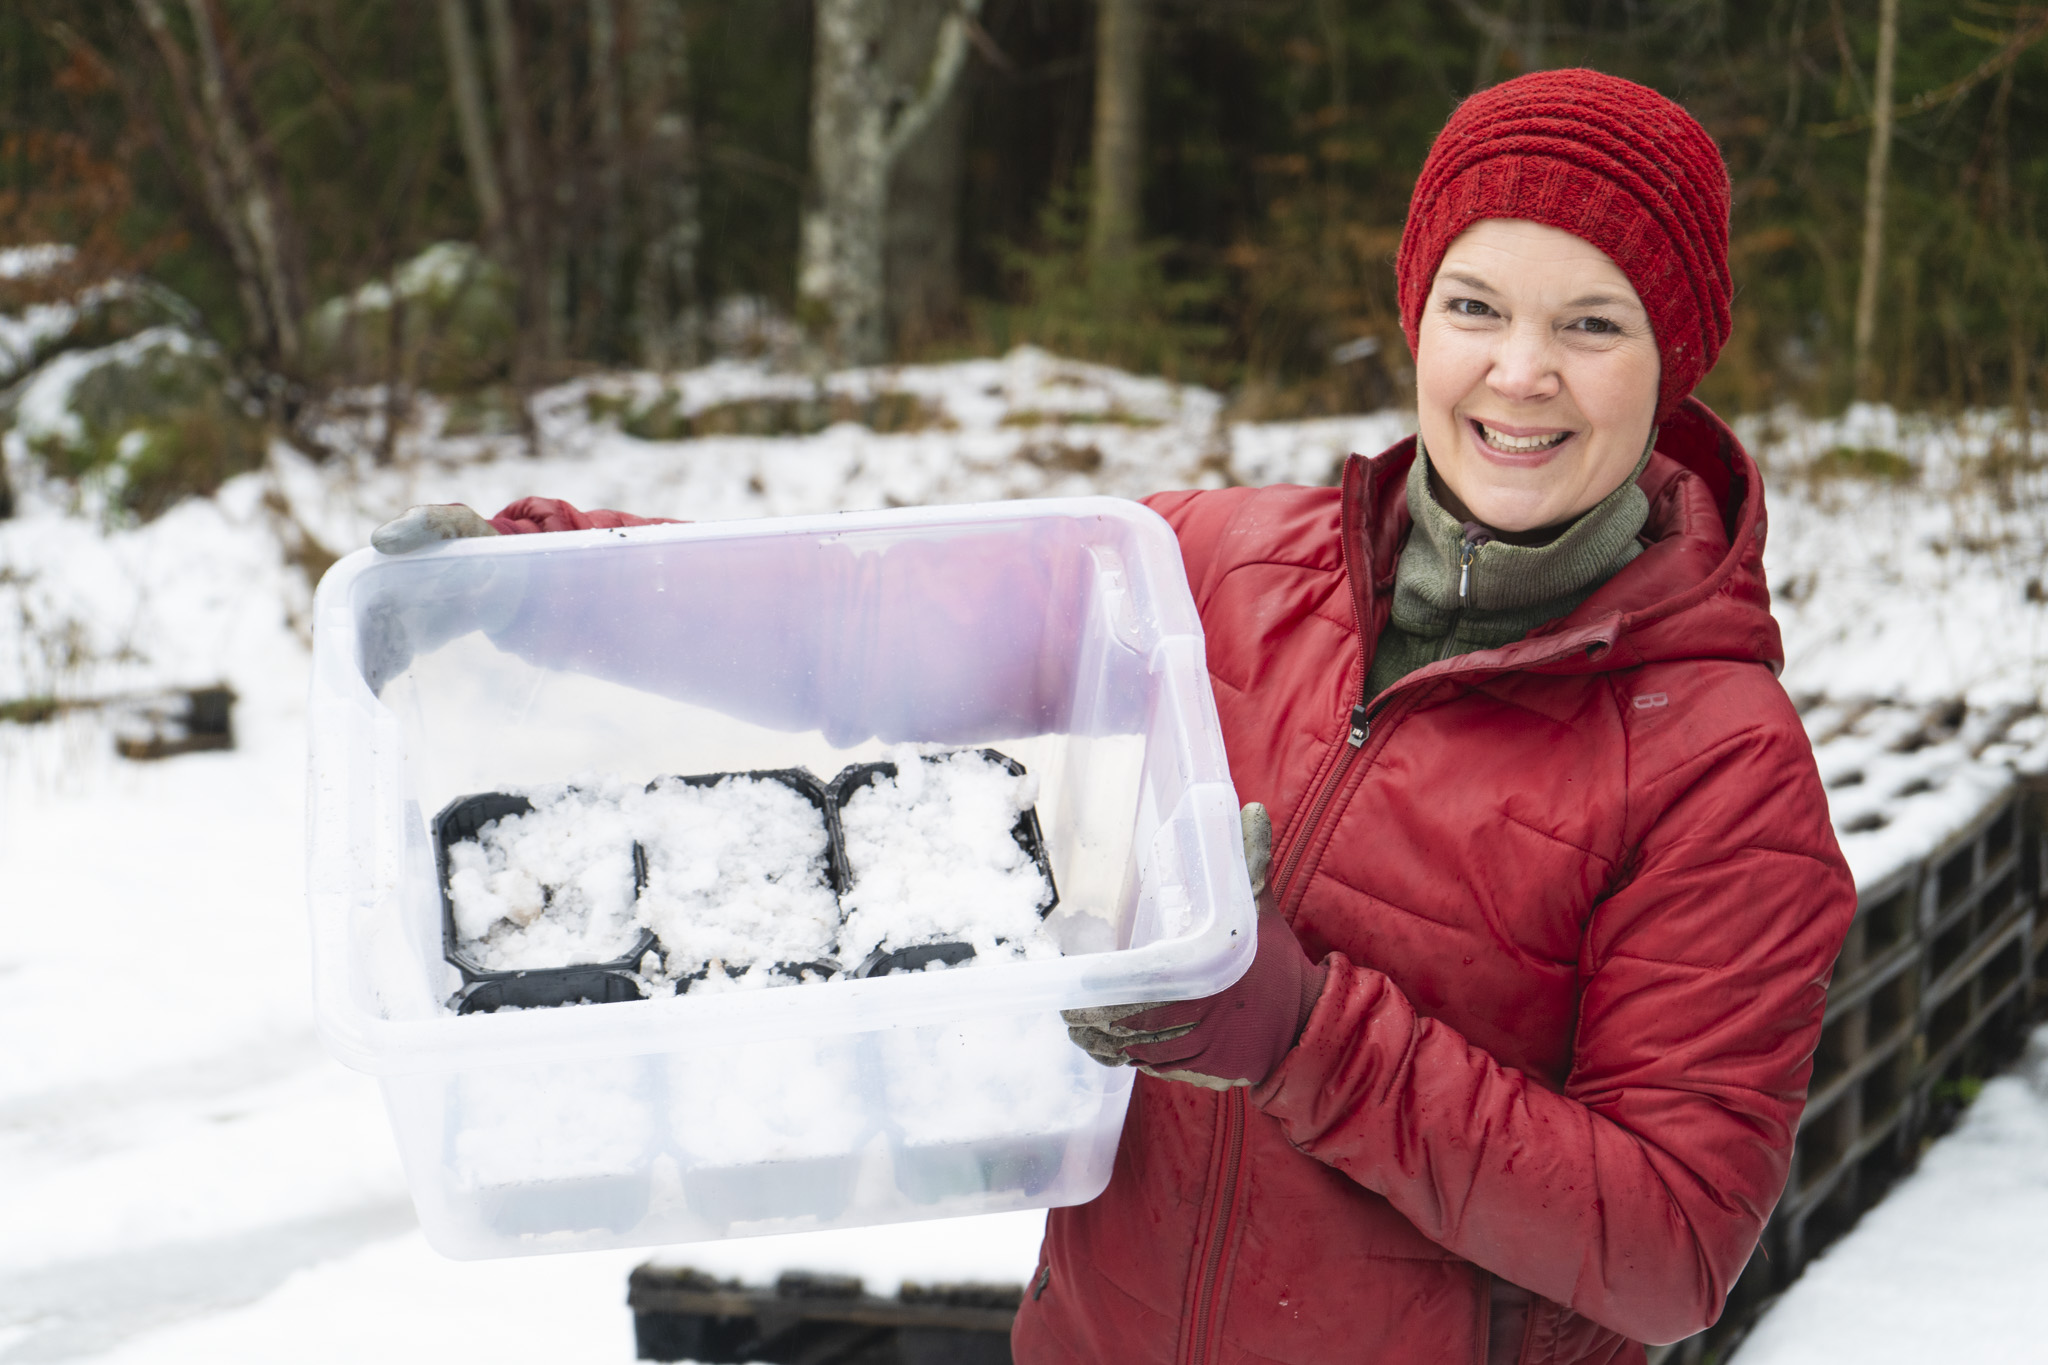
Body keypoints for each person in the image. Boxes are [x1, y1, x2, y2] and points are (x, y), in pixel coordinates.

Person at [377, 69, 1854, 1365]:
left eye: (1590, 323)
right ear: (1417, 314)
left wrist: (1301, 1031)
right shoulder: (1215, 568)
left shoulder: (1719, 761)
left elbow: (1671, 1245)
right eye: (1476, 306)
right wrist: (555, 581)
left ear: (1673, 364)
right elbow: (871, 624)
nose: (1518, 373)